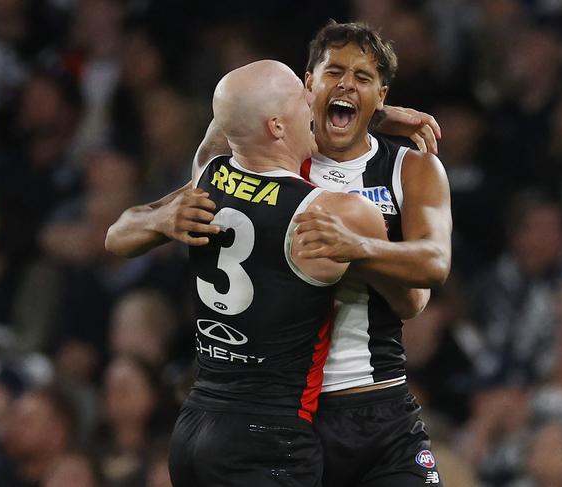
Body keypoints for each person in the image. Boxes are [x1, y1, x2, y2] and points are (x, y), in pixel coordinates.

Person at [106, 59, 393, 486]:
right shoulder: (331, 213)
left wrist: (160, 221)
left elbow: (116, 235)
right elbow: (413, 298)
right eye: (302, 95)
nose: (313, 98)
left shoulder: (208, 175)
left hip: (195, 426)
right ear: (276, 126)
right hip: (269, 435)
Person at [195, 21, 452, 486]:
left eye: (364, 78)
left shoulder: (410, 167)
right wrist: (380, 112)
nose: (347, 84)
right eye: (333, 72)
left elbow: (433, 266)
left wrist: (359, 247)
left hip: (378, 401)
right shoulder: (273, 157)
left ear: (382, 91)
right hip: (289, 413)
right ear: (306, 83)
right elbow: (226, 117)